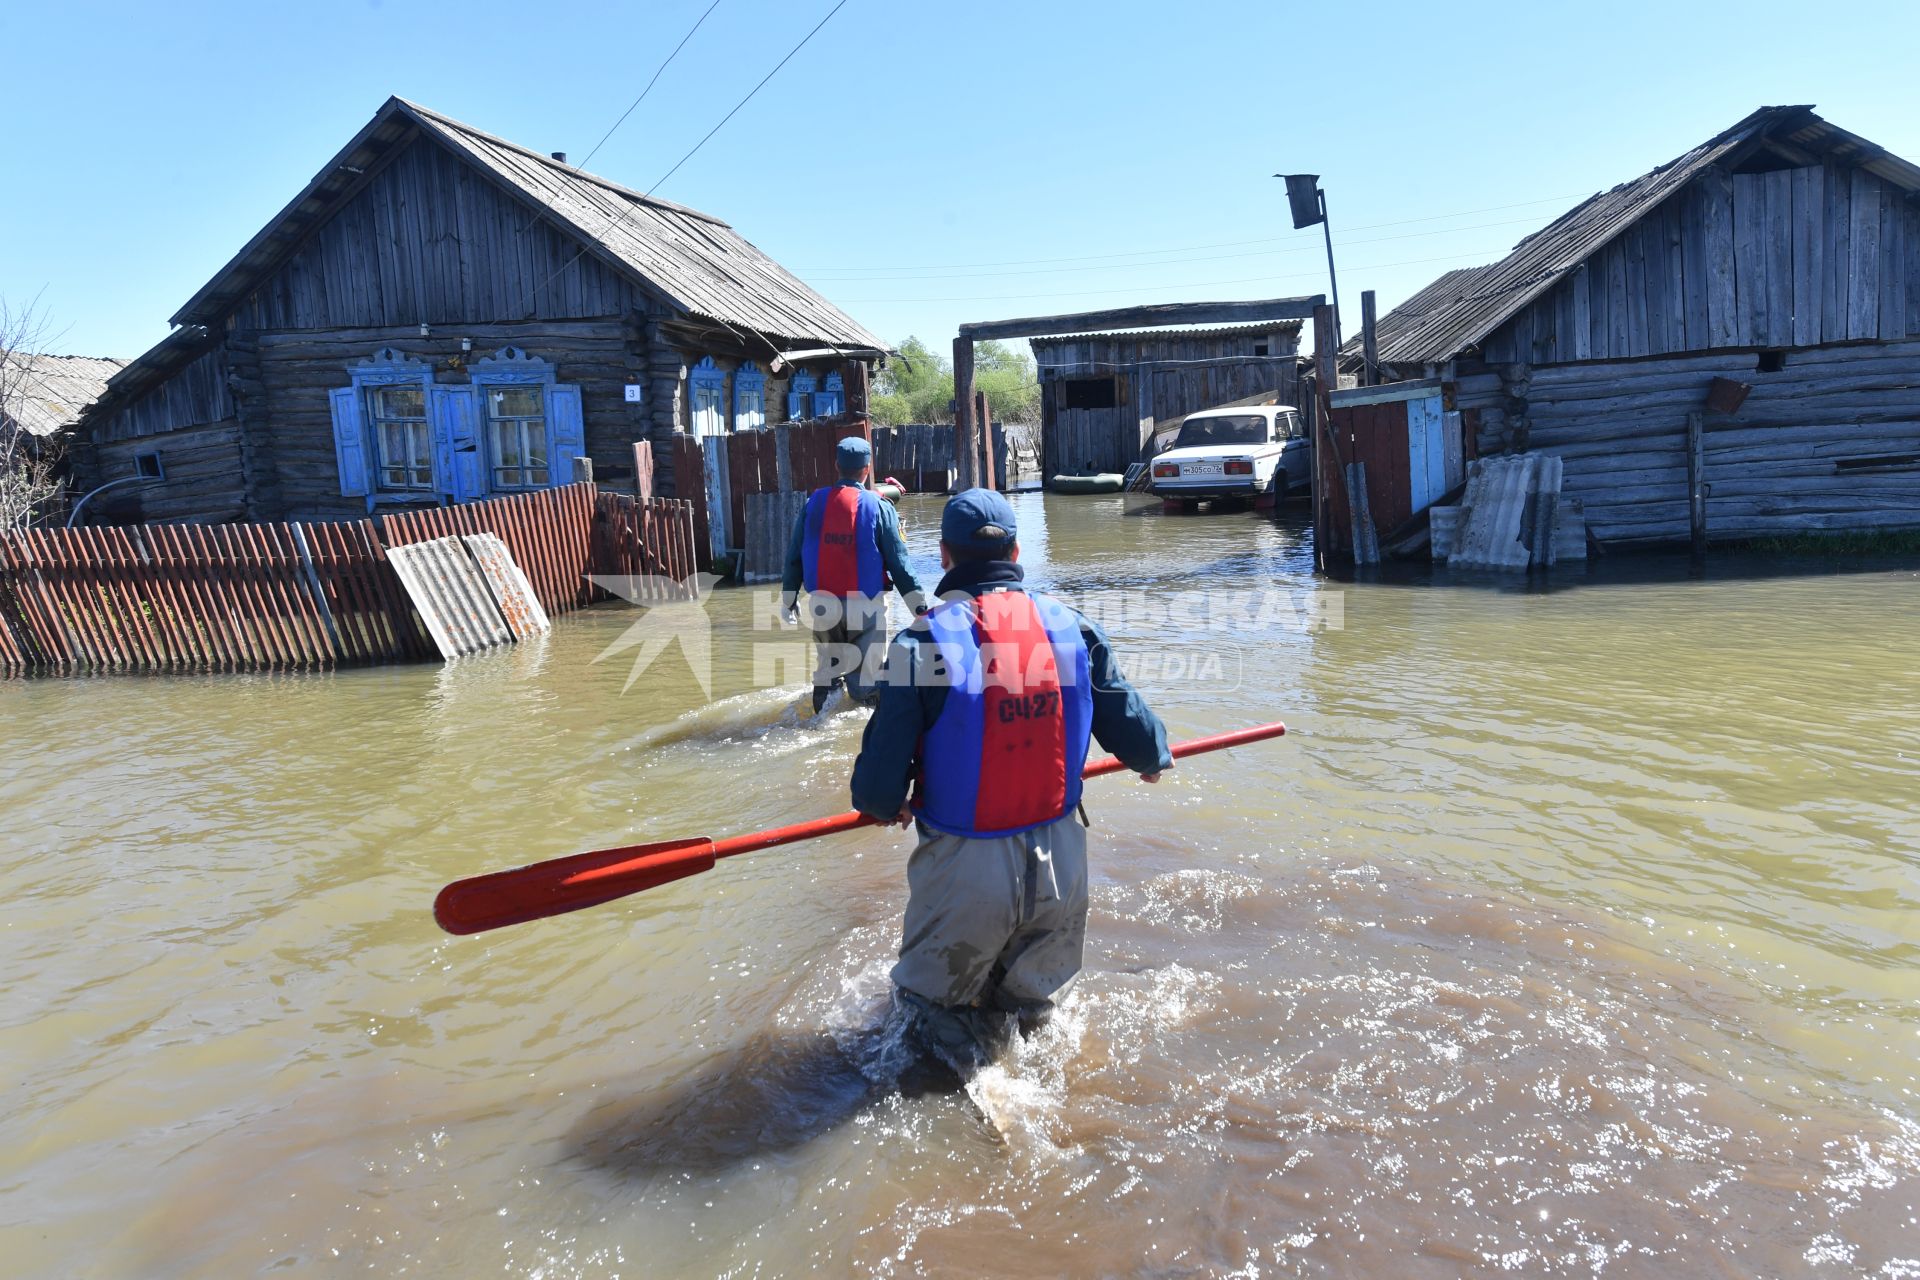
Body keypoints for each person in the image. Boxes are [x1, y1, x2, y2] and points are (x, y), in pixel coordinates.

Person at [850, 489, 1171, 1073]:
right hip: (1061, 865)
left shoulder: (920, 642)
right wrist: (1153, 759)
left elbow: (874, 789)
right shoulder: (1075, 627)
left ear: (944, 556)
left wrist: (889, 801)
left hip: (964, 872)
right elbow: (1141, 738)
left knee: (929, 1020)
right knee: (1033, 1015)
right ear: (1018, 551)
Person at [782, 436, 925, 713]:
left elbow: (794, 556)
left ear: (836, 465)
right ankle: (861, 734)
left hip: (823, 606)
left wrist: (789, 598)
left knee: (828, 677)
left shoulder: (813, 504)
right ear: (867, 469)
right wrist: (918, 606)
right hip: (867, 607)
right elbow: (899, 562)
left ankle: (819, 723)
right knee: (867, 685)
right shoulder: (879, 506)